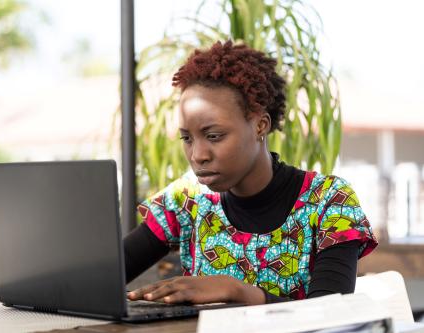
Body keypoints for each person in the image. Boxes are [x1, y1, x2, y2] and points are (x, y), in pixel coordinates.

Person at [125, 40, 377, 305]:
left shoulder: (328, 202)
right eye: (187, 139)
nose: (198, 154)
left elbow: (333, 316)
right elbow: (104, 276)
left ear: (260, 125)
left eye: (214, 135)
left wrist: (238, 292)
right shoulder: (186, 201)